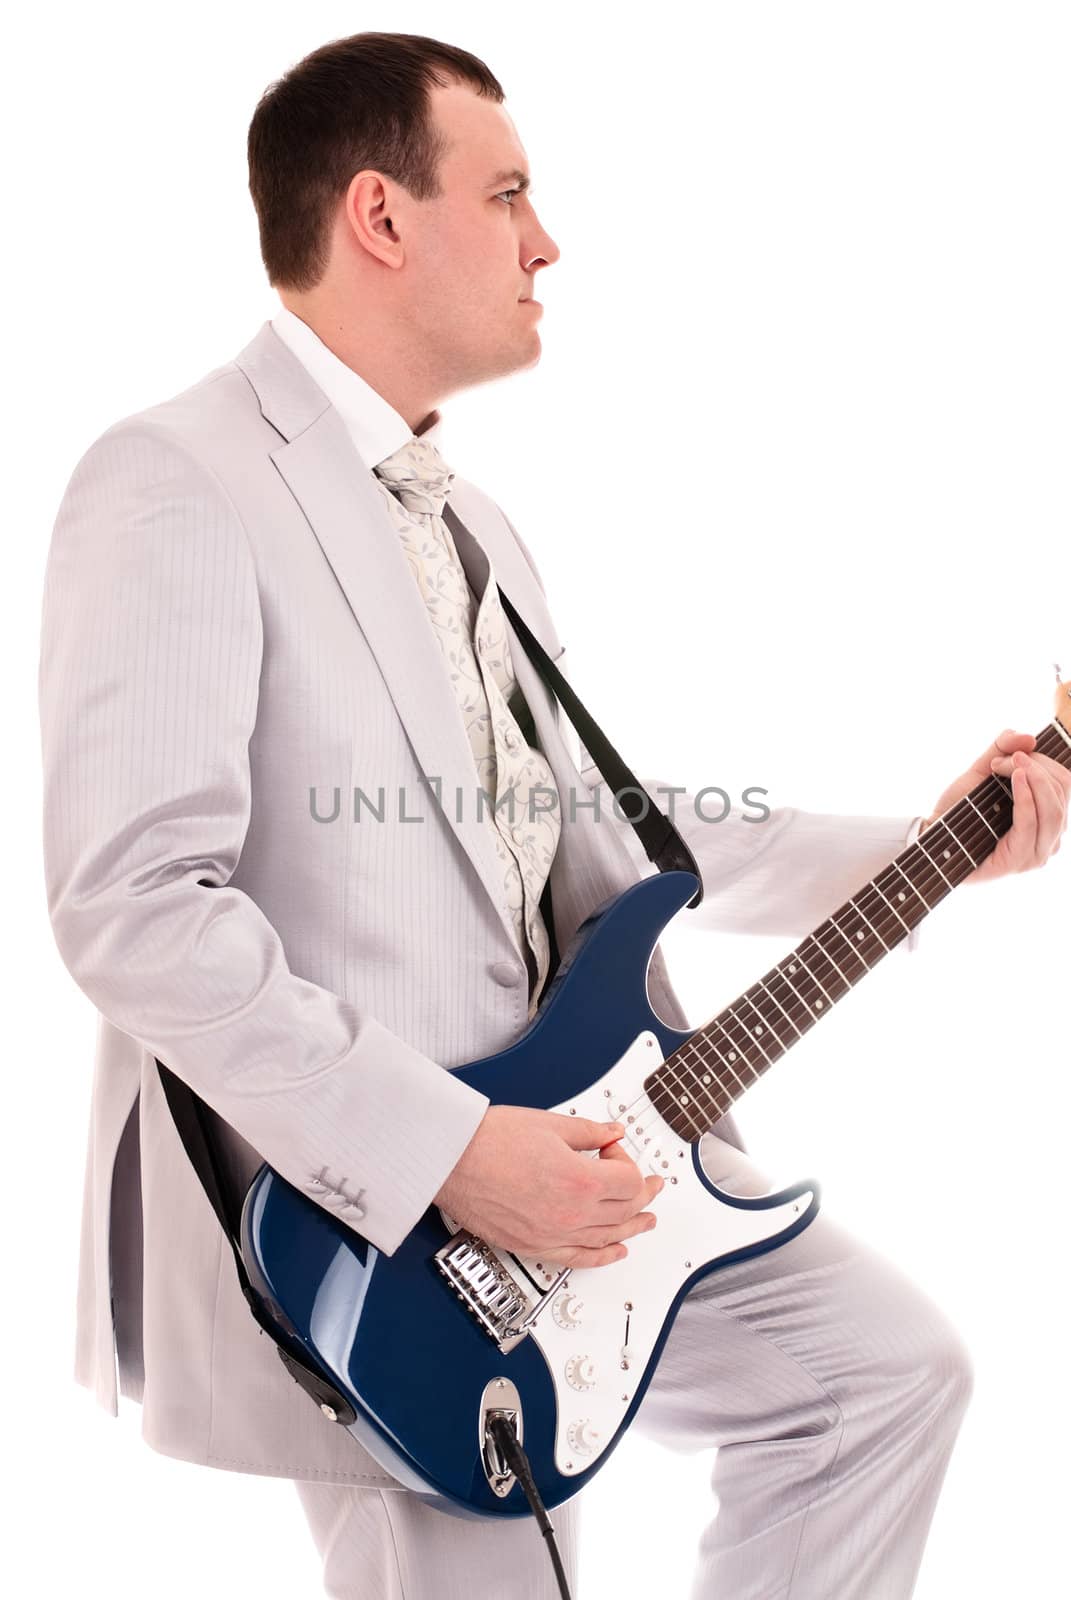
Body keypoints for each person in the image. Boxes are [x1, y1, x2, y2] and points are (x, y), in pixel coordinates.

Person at [38, 30, 1069, 1600]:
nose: (548, 241)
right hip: (380, 1244)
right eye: (508, 192)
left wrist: (933, 848)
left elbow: (613, 834)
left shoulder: (481, 533)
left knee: (877, 1381)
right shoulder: (175, 478)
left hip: (587, 1172)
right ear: (379, 218)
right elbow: (135, 905)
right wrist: (451, 1152)